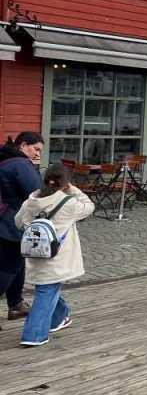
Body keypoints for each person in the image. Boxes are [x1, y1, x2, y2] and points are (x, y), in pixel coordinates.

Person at [14, 164, 95, 347]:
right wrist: (72, 189)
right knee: (46, 290)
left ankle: (59, 318)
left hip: (35, 254)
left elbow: (18, 222)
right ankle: (34, 335)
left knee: (48, 287)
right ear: (66, 183)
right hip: (57, 257)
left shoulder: (31, 201)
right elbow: (89, 206)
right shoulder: (69, 203)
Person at [0, 132, 45, 324]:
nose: (37, 154)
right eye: (36, 149)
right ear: (23, 145)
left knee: (18, 263)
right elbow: (37, 193)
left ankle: (16, 304)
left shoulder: (6, 160)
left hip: (6, 220)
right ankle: (16, 304)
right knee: (8, 266)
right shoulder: (20, 164)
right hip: (12, 223)